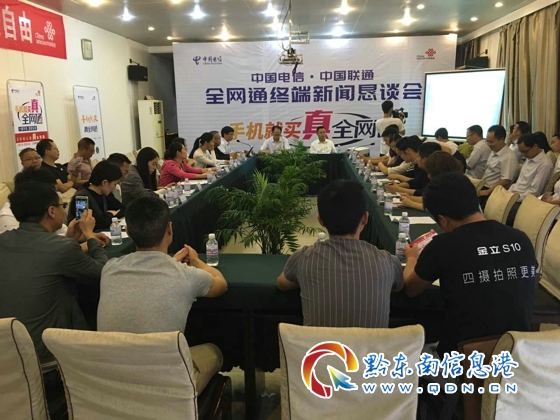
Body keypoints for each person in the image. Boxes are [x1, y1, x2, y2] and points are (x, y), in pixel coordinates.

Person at [97, 195, 227, 392]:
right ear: (169, 229)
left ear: (128, 232)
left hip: (114, 383)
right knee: (214, 352)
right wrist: (196, 261)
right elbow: (221, 284)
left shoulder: (109, 269)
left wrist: (171, 263)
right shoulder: (185, 275)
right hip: (166, 386)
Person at [402, 173, 536, 358]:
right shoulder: (521, 238)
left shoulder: (443, 245)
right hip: (519, 354)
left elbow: (410, 289)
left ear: (443, 220)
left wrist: (411, 258)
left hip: (463, 356)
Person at [0, 182, 108, 368]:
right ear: (51, 211)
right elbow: (106, 272)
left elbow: (38, 260)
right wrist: (90, 235)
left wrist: (69, 240)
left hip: (8, 352)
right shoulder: (61, 248)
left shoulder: (3, 240)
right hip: (48, 358)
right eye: (62, 206)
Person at [276, 180, 403, 328]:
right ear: (365, 218)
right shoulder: (387, 261)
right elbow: (399, 286)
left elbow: (282, 283)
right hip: (372, 344)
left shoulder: (303, 258)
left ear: (320, 220)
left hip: (320, 344)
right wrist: (412, 258)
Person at [507, 133, 554, 224]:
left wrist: (514, 198)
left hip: (523, 200)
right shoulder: (530, 157)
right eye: (521, 152)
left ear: (535, 146)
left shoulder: (544, 164)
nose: (523, 155)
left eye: (525, 151)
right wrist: (508, 193)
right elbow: (519, 182)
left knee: (506, 213)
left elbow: (534, 192)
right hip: (515, 194)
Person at [69, 161, 124, 230]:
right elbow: (90, 225)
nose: (114, 187)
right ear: (104, 182)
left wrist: (107, 217)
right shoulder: (81, 199)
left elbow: (122, 209)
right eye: (114, 184)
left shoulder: (105, 193)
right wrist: (110, 215)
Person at [479, 125, 518, 208]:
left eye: (491, 142)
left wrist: (488, 191)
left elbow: (505, 180)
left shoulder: (508, 157)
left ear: (502, 139)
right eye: (487, 141)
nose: (489, 144)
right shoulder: (494, 151)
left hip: (492, 191)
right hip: (484, 185)